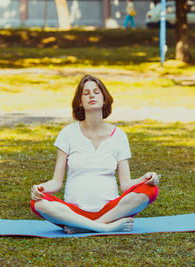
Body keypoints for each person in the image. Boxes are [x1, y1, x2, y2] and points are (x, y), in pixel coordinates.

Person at [30, 75, 160, 234]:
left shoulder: (119, 135)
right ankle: (104, 227)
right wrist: (40, 189)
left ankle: (87, 226)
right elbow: (56, 182)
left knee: (151, 190)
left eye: (96, 92)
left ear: (104, 99)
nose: (92, 95)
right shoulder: (68, 133)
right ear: (80, 101)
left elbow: (125, 185)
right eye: (86, 93)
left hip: (110, 211)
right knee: (38, 203)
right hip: (73, 212)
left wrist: (146, 179)